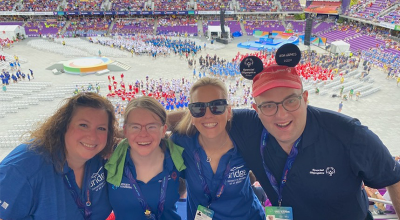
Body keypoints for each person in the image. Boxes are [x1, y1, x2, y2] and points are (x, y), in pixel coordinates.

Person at [228, 61, 400, 219]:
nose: (281, 114)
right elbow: (208, 118)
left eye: (291, 101)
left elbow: (394, 178)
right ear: (255, 109)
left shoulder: (349, 134)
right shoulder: (248, 127)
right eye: (268, 105)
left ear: (305, 98)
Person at [0, 92, 116, 219]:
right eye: (83, 125)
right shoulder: (23, 168)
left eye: (101, 128)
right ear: (64, 125)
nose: (92, 137)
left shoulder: (103, 158)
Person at [171, 77, 265, 220]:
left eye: (217, 106)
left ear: (228, 112)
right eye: (199, 108)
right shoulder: (181, 142)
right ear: (191, 114)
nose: (208, 115)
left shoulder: (244, 139)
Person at [105, 96, 185, 220]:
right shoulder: (110, 159)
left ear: (164, 130)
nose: (143, 134)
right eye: (135, 127)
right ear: (125, 131)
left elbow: (192, 116)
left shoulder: (178, 157)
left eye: (151, 126)